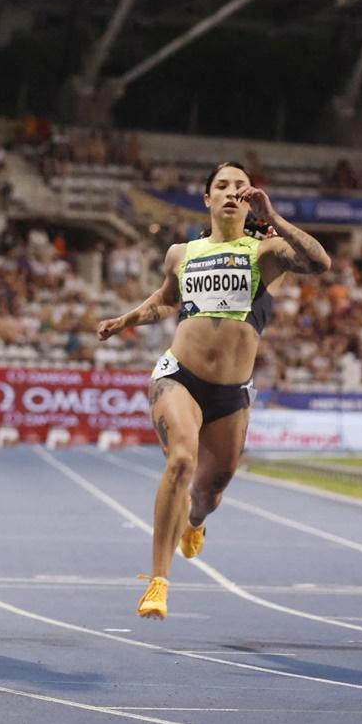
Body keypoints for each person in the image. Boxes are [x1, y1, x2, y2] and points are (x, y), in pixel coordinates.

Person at [97, 161, 330, 620]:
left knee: (210, 491)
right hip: (179, 376)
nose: (231, 192)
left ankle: (196, 522)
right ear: (207, 199)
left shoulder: (266, 251)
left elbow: (320, 263)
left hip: (231, 393)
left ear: (250, 199)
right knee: (181, 459)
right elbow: (166, 300)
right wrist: (127, 318)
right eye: (221, 186)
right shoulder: (180, 254)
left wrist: (274, 216)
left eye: (240, 187)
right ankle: (158, 582)